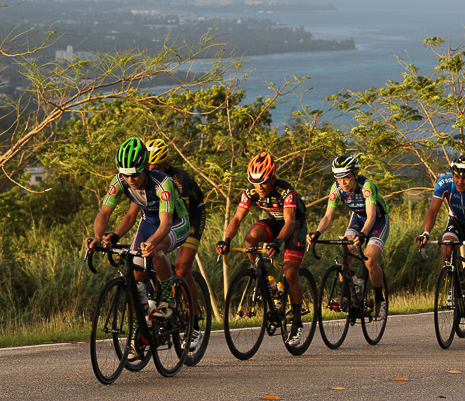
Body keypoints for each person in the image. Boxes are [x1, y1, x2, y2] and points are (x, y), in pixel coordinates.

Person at [84, 136, 190, 359]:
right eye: (125, 174)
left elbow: (165, 224)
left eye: (135, 174)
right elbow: (104, 212)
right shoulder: (120, 180)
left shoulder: (163, 182)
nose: (130, 179)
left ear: (145, 169)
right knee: (134, 276)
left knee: (156, 250)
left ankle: (168, 300)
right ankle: (139, 332)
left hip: (175, 222)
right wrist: (98, 237)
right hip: (148, 220)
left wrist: (152, 243)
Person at [216, 152, 308, 347]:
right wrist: (226, 240)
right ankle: (265, 279)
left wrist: (277, 242)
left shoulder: (287, 191)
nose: (259, 187)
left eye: (264, 183)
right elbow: (237, 218)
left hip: (294, 226)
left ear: (272, 178)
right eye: (255, 183)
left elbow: (290, 222)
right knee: (251, 235)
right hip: (275, 221)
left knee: (290, 271)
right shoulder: (251, 192)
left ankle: (297, 322)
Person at [306, 154, 389, 318]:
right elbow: (328, 217)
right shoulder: (336, 188)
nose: (342, 182)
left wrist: (364, 234)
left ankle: (380, 298)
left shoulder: (367, 186)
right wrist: (317, 233)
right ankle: (349, 293)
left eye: (346, 177)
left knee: (369, 260)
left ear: (356, 175)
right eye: (338, 178)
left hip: (378, 220)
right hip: (358, 218)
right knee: (346, 248)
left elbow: (371, 215)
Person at [144, 138, 207, 349]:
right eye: (147, 168)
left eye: (156, 168)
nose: (151, 172)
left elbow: (178, 218)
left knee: (182, 268)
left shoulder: (179, 178)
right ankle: (162, 298)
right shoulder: (145, 178)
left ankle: (194, 324)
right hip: (165, 218)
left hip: (189, 218)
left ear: (167, 166)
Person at [416, 154, 465, 324]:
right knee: (447, 248)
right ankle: (454, 288)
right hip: (456, 221)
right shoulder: (444, 183)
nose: (460, 182)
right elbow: (432, 211)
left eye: (464, 178)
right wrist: (426, 232)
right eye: (456, 177)